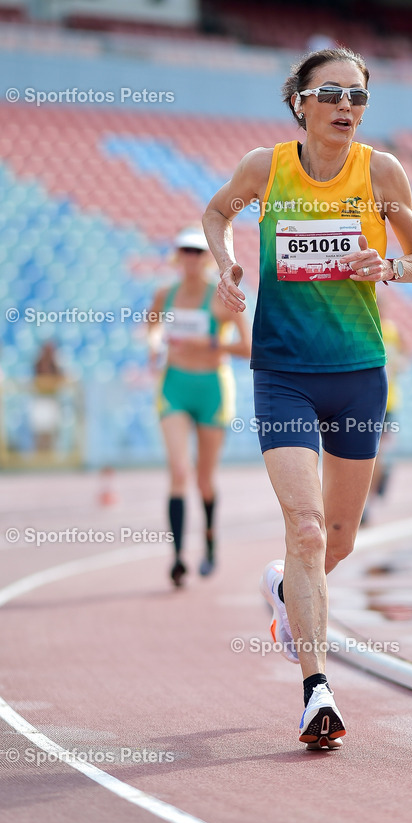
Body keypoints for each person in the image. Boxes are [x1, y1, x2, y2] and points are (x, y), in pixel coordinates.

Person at [203, 47, 412, 749]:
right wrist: (227, 265)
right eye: (331, 93)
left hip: (359, 372)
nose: (345, 106)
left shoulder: (381, 172)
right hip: (284, 373)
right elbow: (216, 213)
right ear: (299, 102)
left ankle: (284, 591)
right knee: (304, 530)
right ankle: (316, 692)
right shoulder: (265, 168)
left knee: (336, 540)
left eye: (357, 96)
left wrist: (386, 266)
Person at [148, 225, 251, 587]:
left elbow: (248, 346)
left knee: (204, 478)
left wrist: (211, 345)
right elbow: (152, 327)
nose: (190, 258)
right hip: (174, 386)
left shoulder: (222, 298)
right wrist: (154, 345)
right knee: (179, 471)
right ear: (178, 256)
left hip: (212, 390)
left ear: (207, 257)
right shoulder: (165, 294)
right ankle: (177, 558)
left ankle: (209, 541)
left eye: (197, 252)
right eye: (185, 251)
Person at [361, 294, 408, 524]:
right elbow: (405, 359)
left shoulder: (375, 329)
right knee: (373, 454)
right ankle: (365, 503)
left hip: (381, 402)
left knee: (372, 454)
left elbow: (405, 358)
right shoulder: (390, 330)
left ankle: (365, 504)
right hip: (379, 401)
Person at [30, 340, 65, 453]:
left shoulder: (56, 363)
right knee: (40, 432)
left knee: (52, 432)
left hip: (52, 400)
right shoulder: (39, 362)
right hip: (41, 400)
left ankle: (51, 455)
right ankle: (40, 454)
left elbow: (61, 377)